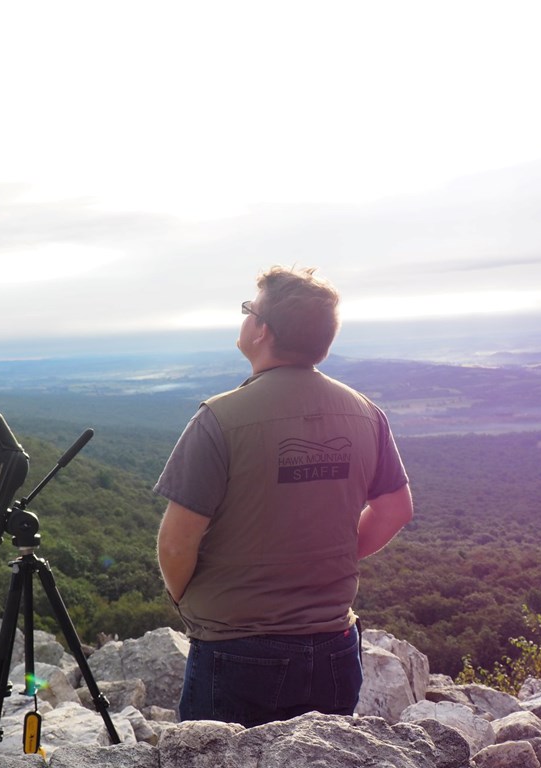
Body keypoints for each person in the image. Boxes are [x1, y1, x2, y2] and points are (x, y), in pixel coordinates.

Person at [154, 265, 413, 727]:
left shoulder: (219, 419)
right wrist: (334, 556)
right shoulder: (364, 413)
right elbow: (396, 508)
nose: (245, 317)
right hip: (334, 647)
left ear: (262, 331)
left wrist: (186, 599)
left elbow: (176, 543)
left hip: (236, 652)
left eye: (249, 309)